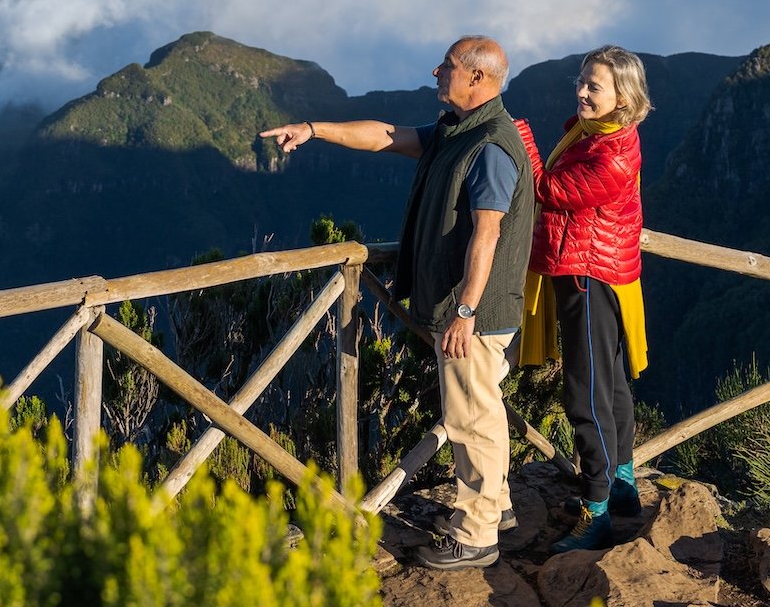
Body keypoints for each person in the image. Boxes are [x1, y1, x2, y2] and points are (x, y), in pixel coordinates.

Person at [261, 35, 539, 572]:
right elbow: (386, 137)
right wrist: (315, 129)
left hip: (474, 314)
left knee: (469, 417)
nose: (437, 71)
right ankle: (496, 508)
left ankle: (476, 534)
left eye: (449, 66)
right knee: (481, 407)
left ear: (478, 79)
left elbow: (488, 237)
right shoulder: (457, 132)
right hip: (470, 309)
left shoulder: (492, 148)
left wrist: (464, 311)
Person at [529, 44, 651, 552]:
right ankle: (622, 485)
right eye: (580, 81)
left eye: (593, 86)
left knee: (587, 391)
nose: (581, 91)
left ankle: (596, 511)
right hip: (600, 271)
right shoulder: (598, 135)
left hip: (588, 275)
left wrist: (521, 140)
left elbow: (549, 190)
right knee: (611, 383)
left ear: (622, 96)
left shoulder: (613, 153)